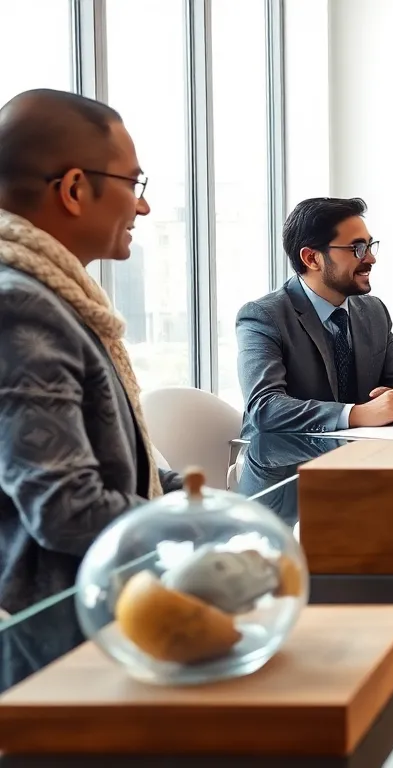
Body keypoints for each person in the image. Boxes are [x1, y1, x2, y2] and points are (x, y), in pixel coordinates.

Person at [0, 89, 182, 614]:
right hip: (59, 635)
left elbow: (115, 465)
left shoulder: (52, 295)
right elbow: (66, 508)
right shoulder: (20, 305)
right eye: (134, 183)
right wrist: (192, 524)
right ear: (76, 189)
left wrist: (185, 494)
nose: (143, 205)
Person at [235, 197, 393, 438]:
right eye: (357, 248)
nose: (370, 258)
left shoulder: (373, 311)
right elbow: (265, 407)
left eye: (370, 246)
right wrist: (358, 414)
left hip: (359, 460)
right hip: (282, 465)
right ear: (311, 258)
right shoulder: (263, 317)